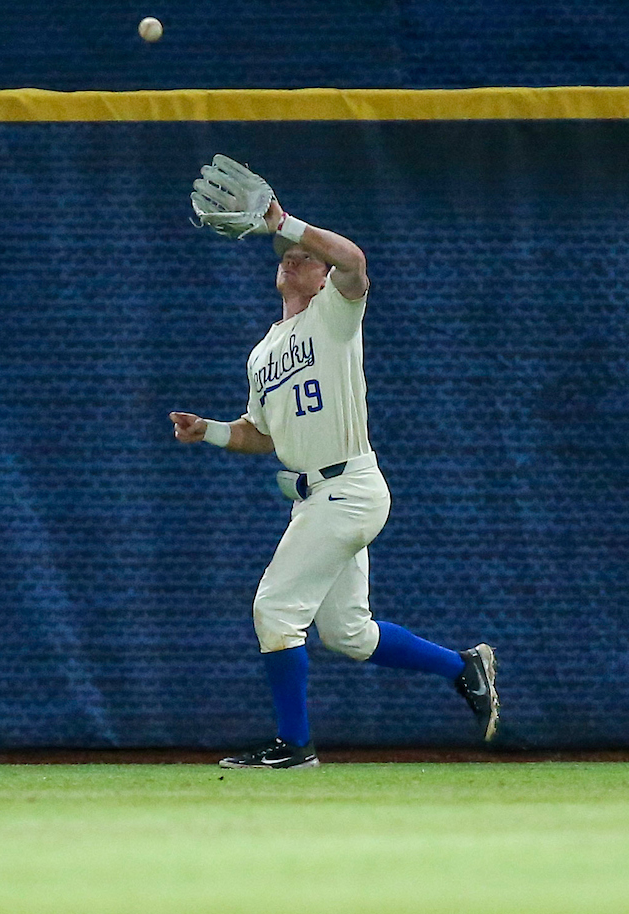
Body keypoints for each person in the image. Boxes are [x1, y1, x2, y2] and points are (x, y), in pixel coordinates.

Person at [170, 170, 499, 769]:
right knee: (349, 634)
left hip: (348, 488)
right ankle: (464, 667)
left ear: (321, 275)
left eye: (302, 257)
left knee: (273, 608)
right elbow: (261, 436)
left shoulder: (335, 313)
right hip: (312, 495)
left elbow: (354, 260)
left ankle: (295, 746)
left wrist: (285, 222)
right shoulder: (263, 352)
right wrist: (210, 433)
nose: (292, 261)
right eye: (285, 257)